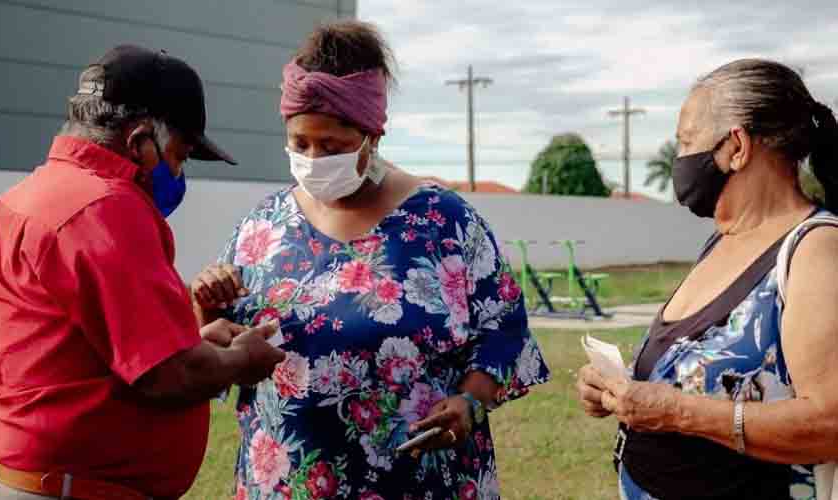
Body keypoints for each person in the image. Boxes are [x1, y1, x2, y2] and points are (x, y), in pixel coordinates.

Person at [191, 20, 550, 500]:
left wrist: (469, 402)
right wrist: (208, 308)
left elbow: (504, 332)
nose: (313, 159)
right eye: (300, 143)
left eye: (332, 147)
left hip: (420, 482)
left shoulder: (443, 223)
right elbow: (216, 351)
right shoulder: (264, 227)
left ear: (372, 137)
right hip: (285, 484)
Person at [0, 45, 285, 500]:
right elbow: (166, 375)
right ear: (140, 139)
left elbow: (85, 352)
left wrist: (197, 344)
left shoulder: (26, 197)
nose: (178, 170)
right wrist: (238, 362)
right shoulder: (106, 207)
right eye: (180, 153)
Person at [577, 58, 838, 499]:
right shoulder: (721, 242)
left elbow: (828, 423)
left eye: (686, 142)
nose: (680, 159)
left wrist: (676, 412)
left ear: (735, 146)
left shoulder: (815, 249)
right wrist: (617, 387)